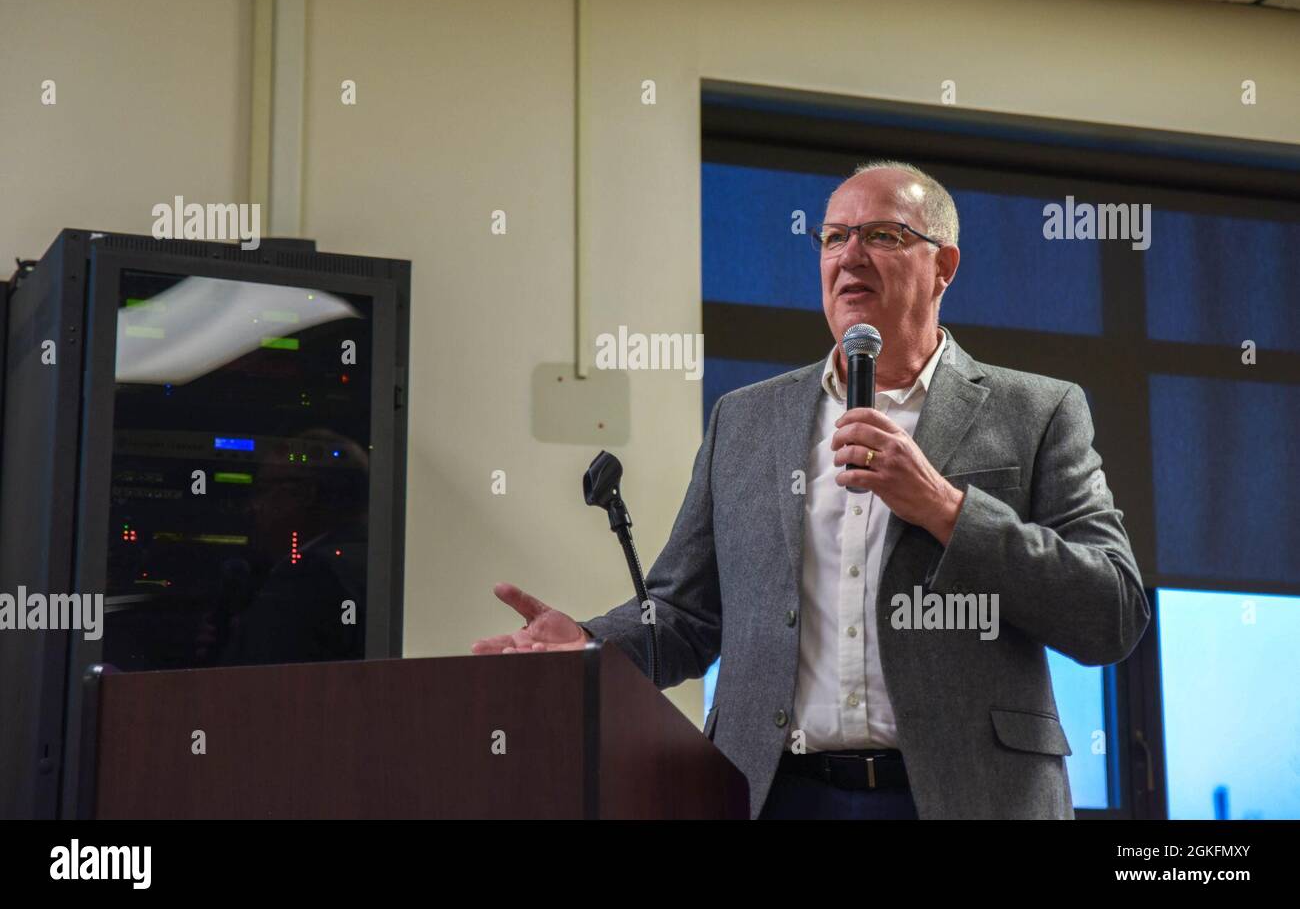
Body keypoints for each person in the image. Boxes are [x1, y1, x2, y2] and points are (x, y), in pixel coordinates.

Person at [471, 160, 1150, 819]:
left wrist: (946, 509)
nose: (850, 255)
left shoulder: (1035, 411)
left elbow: (1110, 612)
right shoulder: (745, 419)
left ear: (943, 266)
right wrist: (590, 648)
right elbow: (685, 612)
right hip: (776, 791)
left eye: (882, 235)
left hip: (965, 792)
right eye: (834, 236)